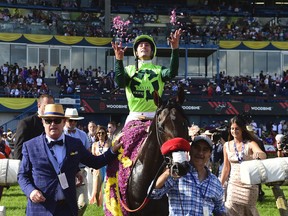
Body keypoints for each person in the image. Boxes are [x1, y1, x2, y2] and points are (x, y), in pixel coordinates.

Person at [17, 104, 123, 216]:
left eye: (57, 120)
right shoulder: (30, 146)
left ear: (63, 122)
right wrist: (31, 191)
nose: (52, 124)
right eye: (48, 120)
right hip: (40, 208)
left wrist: (112, 150)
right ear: (43, 122)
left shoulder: (75, 144)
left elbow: (95, 162)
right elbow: (22, 175)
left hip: (67, 208)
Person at [111, 29, 182, 125]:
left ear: (152, 51)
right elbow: (120, 83)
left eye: (147, 45)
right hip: (134, 118)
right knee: (120, 140)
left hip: (155, 119)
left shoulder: (159, 70)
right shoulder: (128, 70)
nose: (144, 46)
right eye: (140, 45)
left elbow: (172, 73)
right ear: (136, 52)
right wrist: (119, 60)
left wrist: (175, 49)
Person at [150, 136, 226, 216]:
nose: (200, 153)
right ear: (190, 151)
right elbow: (153, 193)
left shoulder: (215, 183)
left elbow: (220, 209)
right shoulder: (177, 173)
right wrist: (168, 172)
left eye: (205, 150)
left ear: (210, 154)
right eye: (197, 148)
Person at [220, 115, 267, 216]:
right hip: (233, 185)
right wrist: (220, 185)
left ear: (242, 129)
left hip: (249, 186)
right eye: (232, 128)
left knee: (248, 211)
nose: (234, 131)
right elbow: (226, 168)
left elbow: (263, 155)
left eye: (237, 128)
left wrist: (258, 154)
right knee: (230, 209)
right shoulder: (226, 145)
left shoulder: (250, 144)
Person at [63, 108, 90, 216]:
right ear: (65, 120)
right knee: (64, 202)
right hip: (64, 173)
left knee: (82, 203)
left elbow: (88, 154)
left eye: (75, 120)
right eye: (70, 120)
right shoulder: (60, 134)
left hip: (81, 171)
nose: (73, 122)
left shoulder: (82, 135)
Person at [14, 94, 54, 160]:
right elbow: (19, 150)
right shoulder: (26, 123)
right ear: (39, 105)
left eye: (51, 107)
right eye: (46, 107)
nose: (49, 109)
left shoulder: (56, 123)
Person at [90, 126, 110, 206]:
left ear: (105, 134)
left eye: (102, 133)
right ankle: (98, 204)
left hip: (107, 167)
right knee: (96, 190)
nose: (100, 134)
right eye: (99, 133)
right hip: (97, 168)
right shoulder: (94, 144)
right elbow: (92, 157)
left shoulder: (109, 142)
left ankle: (106, 206)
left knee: (106, 188)